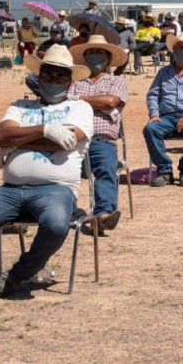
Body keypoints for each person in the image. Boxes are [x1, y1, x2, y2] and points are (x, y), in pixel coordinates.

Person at [0, 45, 93, 297]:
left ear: (70, 82)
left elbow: (65, 141)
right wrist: (44, 129)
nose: (54, 80)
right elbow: (0, 135)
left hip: (55, 190)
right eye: (49, 74)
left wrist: (17, 141)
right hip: (9, 191)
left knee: (55, 225)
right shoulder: (20, 105)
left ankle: (18, 274)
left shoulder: (81, 108)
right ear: (39, 78)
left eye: (61, 76)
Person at [69, 35, 129, 229]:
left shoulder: (117, 81)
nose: (95, 56)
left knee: (105, 167)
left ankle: (103, 214)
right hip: (72, 137)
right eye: (91, 52)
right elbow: (64, 104)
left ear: (109, 59)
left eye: (100, 52)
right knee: (57, 169)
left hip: (101, 139)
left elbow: (111, 102)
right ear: (84, 58)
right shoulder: (74, 81)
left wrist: (78, 100)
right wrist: (98, 102)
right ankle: (64, 209)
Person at [143, 32, 183, 187]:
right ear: (173, 48)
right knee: (150, 129)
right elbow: (153, 94)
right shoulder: (163, 72)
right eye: (180, 47)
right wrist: (154, 113)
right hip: (165, 116)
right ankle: (164, 171)